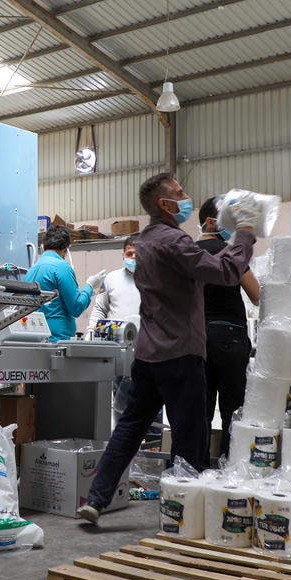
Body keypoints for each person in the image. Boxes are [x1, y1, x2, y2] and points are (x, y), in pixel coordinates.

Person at [78, 174, 260, 523]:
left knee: (129, 427)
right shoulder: (175, 241)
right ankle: (181, 514)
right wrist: (245, 232)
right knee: (190, 436)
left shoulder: (144, 242)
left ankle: (96, 499)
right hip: (180, 353)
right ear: (165, 204)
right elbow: (225, 272)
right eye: (180, 192)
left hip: (148, 352)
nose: (186, 196)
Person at [197, 196, 261, 466]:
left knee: (199, 410)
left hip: (195, 339)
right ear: (211, 222)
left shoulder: (188, 253)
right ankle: (229, 470)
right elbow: (256, 295)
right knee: (232, 410)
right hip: (229, 337)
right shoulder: (230, 254)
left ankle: (193, 471)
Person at [87, 235, 141, 425]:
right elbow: (100, 309)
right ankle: (122, 434)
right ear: (123, 255)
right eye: (129, 254)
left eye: (137, 254)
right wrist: (90, 333)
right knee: (121, 402)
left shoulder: (154, 279)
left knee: (150, 400)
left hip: (147, 351)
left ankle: (151, 439)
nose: (133, 258)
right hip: (119, 350)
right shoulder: (112, 279)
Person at [23, 225, 107, 342]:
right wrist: (90, 286)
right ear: (67, 247)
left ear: (44, 246)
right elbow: (76, 307)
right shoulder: (61, 267)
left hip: (33, 337)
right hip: (57, 339)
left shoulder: (31, 270)